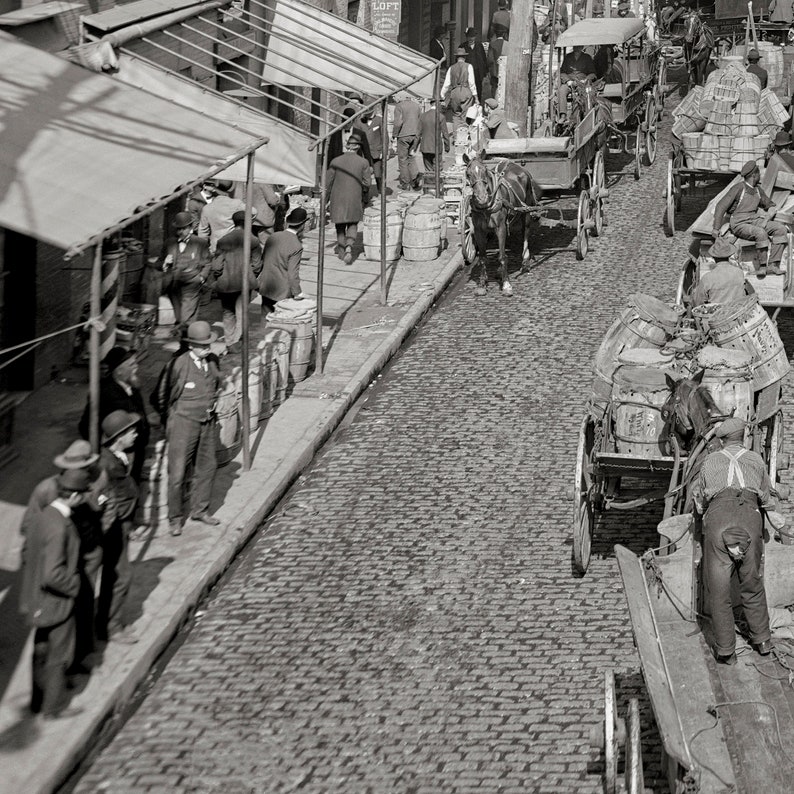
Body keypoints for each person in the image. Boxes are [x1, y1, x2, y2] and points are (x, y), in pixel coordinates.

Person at [693, 417, 783, 664]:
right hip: (750, 519)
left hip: (719, 520)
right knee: (752, 582)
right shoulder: (755, 460)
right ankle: (763, 640)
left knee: (719, 591)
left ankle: (726, 652)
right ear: (743, 437)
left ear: (721, 440)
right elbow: (766, 499)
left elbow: (700, 503)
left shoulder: (710, 461)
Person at [19, 441, 108, 672]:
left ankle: (79, 657)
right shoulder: (47, 489)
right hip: (60, 565)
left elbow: (98, 511)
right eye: (86, 464)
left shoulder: (91, 481)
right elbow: (30, 527)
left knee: (84, 609)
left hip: (85, 558)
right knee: (59, 621)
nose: (89, 469)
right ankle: (57, 674)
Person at [19, 467, 89, 717]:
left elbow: (28, 553)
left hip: (37, 598)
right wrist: (75, 585)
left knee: (40, 649)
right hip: (56, 601)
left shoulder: (45, 515)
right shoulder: (61, 526)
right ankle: (54, 706)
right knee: (59, 654)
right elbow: (52, 574)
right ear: (74, 496)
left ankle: (38, 701)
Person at [151, 321, 222, 536]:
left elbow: (216, 385)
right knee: (178, 472)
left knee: (207, 467)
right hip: (182, 423)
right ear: (191, 345)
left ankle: (200, 510)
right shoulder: (178, 364)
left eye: (209, 344)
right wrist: (170, 420)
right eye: (202, 345)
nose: (207, 348)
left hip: (207, 422)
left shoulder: (212, 361)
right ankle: (174, 518)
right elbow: (162, 395)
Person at [96, 411, 140, 645]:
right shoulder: (106, 464)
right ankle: (110, 628)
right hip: (114, 526)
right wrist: (122, 519)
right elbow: (105, 498)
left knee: (115, 576)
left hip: (123, 524)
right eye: (131, 430)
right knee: (121, 576)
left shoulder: (120, 455)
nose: (135, 433)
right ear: (119, 436)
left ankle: (107, 623)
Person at [78, 346, 150, 485]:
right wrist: (104, 451)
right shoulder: (106, 393)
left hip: (135, 452)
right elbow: (85, 425)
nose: (136, 366)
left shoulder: (132, 386)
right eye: (131, 364)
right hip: (122, 455)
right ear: (119, 371)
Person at [712, 160, 788, 276]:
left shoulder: (758, 190)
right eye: (759, 174)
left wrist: (766, 219)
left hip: (754, 220)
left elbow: (771, 206)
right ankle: (762, 266)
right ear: (754, 175)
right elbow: (720, 206)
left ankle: (773, 265)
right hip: (739, 223)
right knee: (760, 233)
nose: (760, 176)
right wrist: (716, 228)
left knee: (780, 229)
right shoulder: (738, 188)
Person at [212, 210, 261, 354]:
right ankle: (239, 341)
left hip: (226, 283)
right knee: (242, 312)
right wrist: (250, 274)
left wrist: (219, 275)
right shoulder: (253, 240)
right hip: (244, 284)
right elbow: (257, 265)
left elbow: (216, 266)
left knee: (228, 313)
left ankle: (229, 342)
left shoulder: (223, 240)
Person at [326, 130, 372, 266]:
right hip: (354, 197)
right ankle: (349, 246)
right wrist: (363, 193)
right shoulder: (363, 162)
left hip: (337, 198)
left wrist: (325, 200)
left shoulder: (336, 161)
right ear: (358, 147)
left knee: (340, 225)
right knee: (353, 223)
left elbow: (328, 182)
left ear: (347, 146)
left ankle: (341, 250)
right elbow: (367, 183)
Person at [164, 211, 212, 333]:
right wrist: (165, 263)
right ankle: (185, 344)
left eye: (184, 228)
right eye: (178, 229)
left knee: (186, 316)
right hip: (174, 285)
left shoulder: (200, 243)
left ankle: (186, 343)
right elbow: (160, 263)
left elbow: (207, 262)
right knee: (180, 317)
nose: (181, 232)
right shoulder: (169, 243)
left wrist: (201, 277)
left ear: (190, 228)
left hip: (192, 283)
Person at [259, 207, 309, 316]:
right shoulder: (296, 245)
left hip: (266, 285)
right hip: (282, 291)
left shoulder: (273, 236)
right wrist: (298, 292)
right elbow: (292, 274)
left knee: (265, 318)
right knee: (280, 322)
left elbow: (263, 258)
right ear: (302, 225)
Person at [692, 238, 750, 306]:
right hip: (737, 311)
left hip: (716, 314)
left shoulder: (707, 278)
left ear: (713, 257)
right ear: (729, 255)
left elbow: (698, 302)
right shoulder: (739, 272)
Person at [198, 179, 245, 254]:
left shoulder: (207, 208)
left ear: (215, 188)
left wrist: (204, 250)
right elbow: (253, 212)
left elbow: (202, 233)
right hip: (233, 246)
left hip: (215, 247)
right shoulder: (237, 204)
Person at [441, 48, 479, 133]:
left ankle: (455, 136)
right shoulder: (469, 66)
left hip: (454, 92)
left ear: (456, 58)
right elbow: (472, 83)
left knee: (456, 115)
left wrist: (442, 95)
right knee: (465, 115)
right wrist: (476, 97)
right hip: (465, 91)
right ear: (465, 57)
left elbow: (446, 84)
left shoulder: (451, 68)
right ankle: (463, 138)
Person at [392, 95, 423, 190]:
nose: (394, 98)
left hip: (403, 135)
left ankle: (405, 182)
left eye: (395, 96)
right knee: (411, 156)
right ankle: (414, 178)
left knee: (402, 159)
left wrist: (394, 134)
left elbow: (398, 123)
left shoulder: (399, 106)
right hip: (415, 134)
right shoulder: (416, 106)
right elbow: (420, 120)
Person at [418, 97, 451, 187]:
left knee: (428, 170)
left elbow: (418, 133)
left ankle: (429, 187)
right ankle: (437, 187)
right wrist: (447, 146)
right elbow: (445, 133)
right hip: (436, 147)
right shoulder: (441, 117)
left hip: (425, 146)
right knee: (437, 169)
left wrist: (414, 146)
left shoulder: (423, 116)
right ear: (437, 104)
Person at [558, 45, 597, 117]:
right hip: (570, 82)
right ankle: (563, 114)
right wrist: (568, 81)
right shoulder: (568, 57)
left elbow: (592, 73)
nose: (577, 49)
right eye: (575, 47)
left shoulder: (587, 58)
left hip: (582, 84)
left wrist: (585, 80)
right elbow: (562, 72)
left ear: (582, 48)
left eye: (579, 47)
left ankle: (583, 114)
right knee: (561, 90)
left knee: (584, 93)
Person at [361, 103, 385, 198]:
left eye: (369, 113)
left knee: (378, 173)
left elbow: (384, 136)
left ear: (373, 112)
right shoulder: (360, 122)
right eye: (366, 113)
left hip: (376, 151)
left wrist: (384, 151)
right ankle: (365, 194)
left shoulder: (379, 120)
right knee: (365, 174)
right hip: (364, 152)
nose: (367, 115)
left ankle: (380, 191)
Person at [460, 27, 488, 102]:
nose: (471, 39)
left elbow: (484, 58)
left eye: (472, 37)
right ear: (466, 37)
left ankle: (477, 102)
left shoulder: (479, 45)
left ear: (475, 37)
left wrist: (485, 71)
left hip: (478, 72)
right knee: (468, 88)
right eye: (469, 37)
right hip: (467, 72)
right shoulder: (463, 46)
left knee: (478, 87)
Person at [487, 27, 508, 99]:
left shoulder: (492, 44)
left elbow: (490, 59)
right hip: (505, 70)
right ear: (504, 34)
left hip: (494, 70)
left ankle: (495, 102)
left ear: (495, 34)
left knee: (494, 87)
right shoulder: (508, 45)